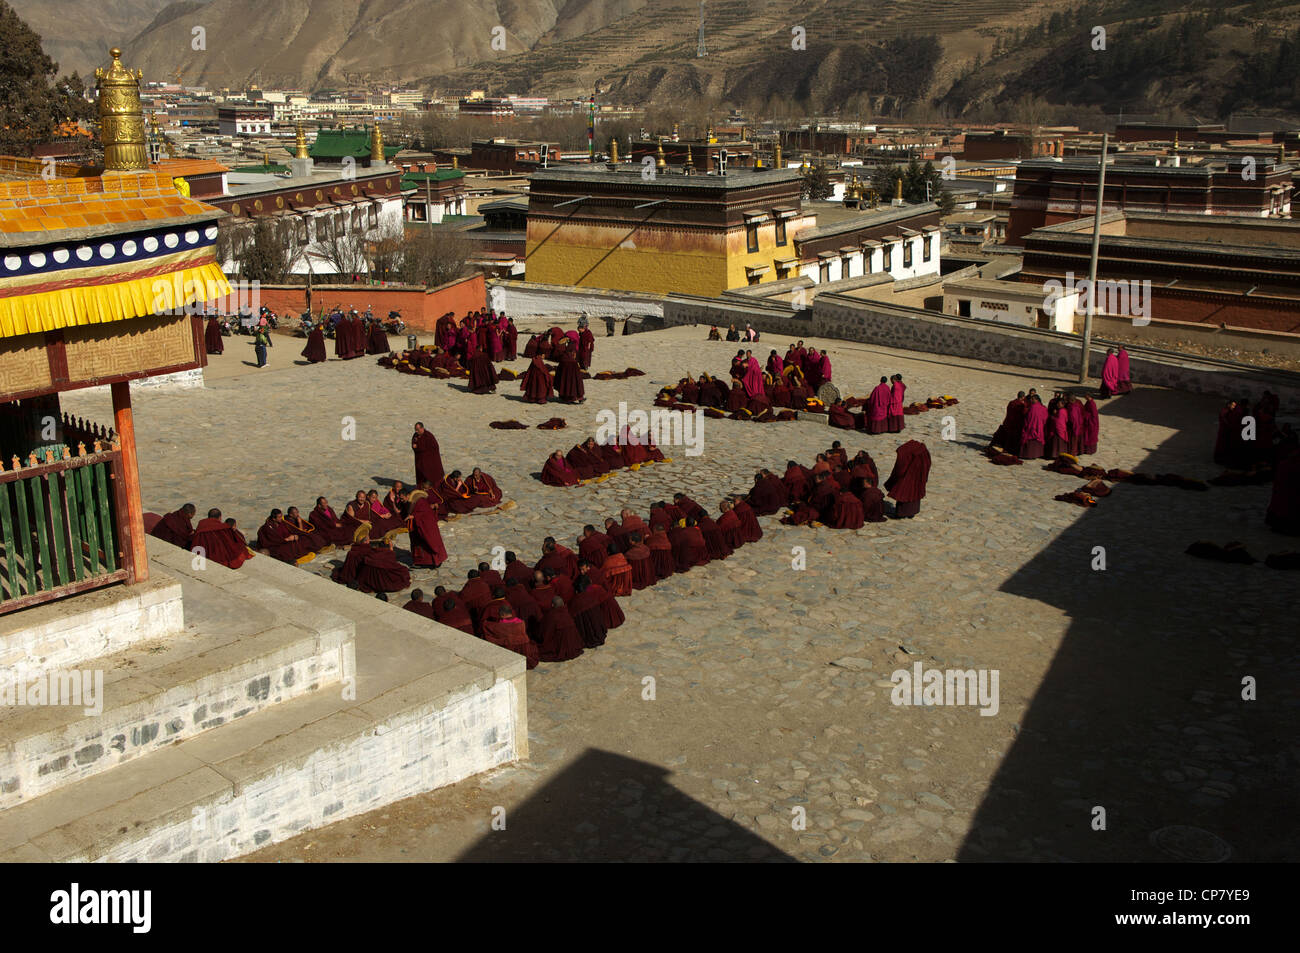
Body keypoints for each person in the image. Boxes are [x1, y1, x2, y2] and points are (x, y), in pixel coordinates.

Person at [482, 602, 538, 669]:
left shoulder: (501, 625)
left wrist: (485, 623)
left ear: (502, 614)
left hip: (510, 646)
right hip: (523, 649)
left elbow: (489, 627)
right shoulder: (521, 622)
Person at [885, 440, 932, 518]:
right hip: (917, 474)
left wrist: (896, 476)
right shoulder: (922, 452)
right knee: (914, 491)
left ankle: (902, 513)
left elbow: (900, 468)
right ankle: (912, 512)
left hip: (908, 476)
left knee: (905, 492)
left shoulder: (906, 455)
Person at [407, 489, 447, 568]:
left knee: (428, 543)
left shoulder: (420, 503)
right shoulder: (420, 502)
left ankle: (428, 562)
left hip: (425, 528)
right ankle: (434, 560)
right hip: (424, 527)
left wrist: (414, 517)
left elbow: (421, 514)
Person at [537, 597, 585, 662]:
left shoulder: (551, 616)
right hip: (572, 644)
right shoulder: (567, 613)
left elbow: (546, 633)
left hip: (559, 645)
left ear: (552, 605)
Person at [412, 422, 445, 487]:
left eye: (417, 430)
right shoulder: (415, 435)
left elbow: (433, 447)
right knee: (421, 476)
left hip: (430, 460)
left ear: (422, 428)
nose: (416, 431)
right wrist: (414, 446)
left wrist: (417, 446)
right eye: (415, 429)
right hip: (420, 460)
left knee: (431, 476)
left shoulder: (429, 436)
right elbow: (414, 443)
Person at [1020, 394, 1048, 460]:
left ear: (1037, 400)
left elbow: (1029, 417)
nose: (1031, 400)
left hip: (1032, 426)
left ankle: (1028, 454)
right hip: (1039, 426)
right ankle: (1036, 454)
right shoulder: (1042, 407)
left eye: (1033, 399)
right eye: (1031, 399)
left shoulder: (1033, 407)